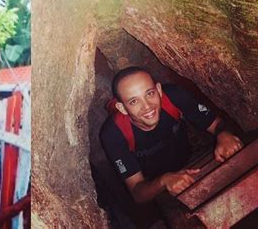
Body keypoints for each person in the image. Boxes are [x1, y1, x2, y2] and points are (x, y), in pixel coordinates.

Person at [100, 67, 243, 204]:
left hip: (191, 161)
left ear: (159, 90)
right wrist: (163, 180)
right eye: (134, 101)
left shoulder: (174, 96)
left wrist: (224, 135)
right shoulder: (114, 134)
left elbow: (216, 124)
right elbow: (138, 193)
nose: (147, 106)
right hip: (156, 185)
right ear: (122, 108)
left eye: (150, 94)